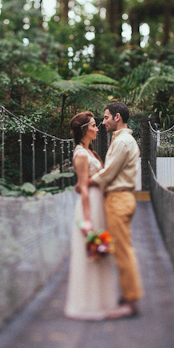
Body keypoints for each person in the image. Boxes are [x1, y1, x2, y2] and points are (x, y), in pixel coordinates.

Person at [64, 111, 119, 320]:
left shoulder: (89, 152)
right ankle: (87, 303)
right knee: (91, 252)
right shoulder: (80, 154)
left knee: (100, 250)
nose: (97, 128)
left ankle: (101, 301)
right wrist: (86, 219)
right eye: (94, 125)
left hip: (99, 203)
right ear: (84, 130)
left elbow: (88, 182)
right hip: (90, 206)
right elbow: (85, 189)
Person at [90, 102, 143, 318]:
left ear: (117, 117)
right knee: (121, 248)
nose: (103, 122)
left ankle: (131, 301)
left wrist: (86, 183)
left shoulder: (123, 141)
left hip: (119, 198)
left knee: (122, 251)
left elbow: (108, 173)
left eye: (106, 118)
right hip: (118, 197)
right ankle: (128, 295)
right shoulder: (120, 140)